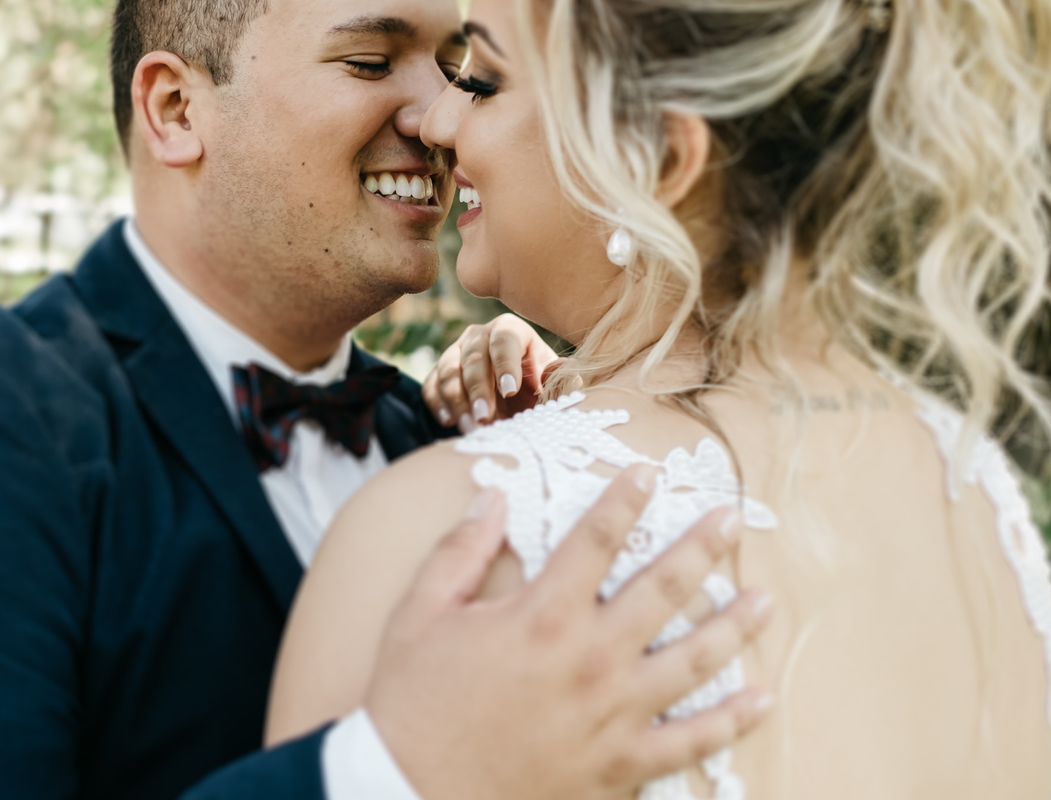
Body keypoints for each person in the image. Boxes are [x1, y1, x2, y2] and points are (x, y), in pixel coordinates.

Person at [0, 0, 774, 798]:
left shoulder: (461, 440)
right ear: (175, 109)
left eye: (462, 72)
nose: (440, 118)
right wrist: (389, 774)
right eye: (371, 61)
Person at [267, 0, 1051, 797]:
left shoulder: (440, 537)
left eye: (482, 81)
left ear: (658, 159)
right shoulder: (979, 493)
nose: (436, 121)